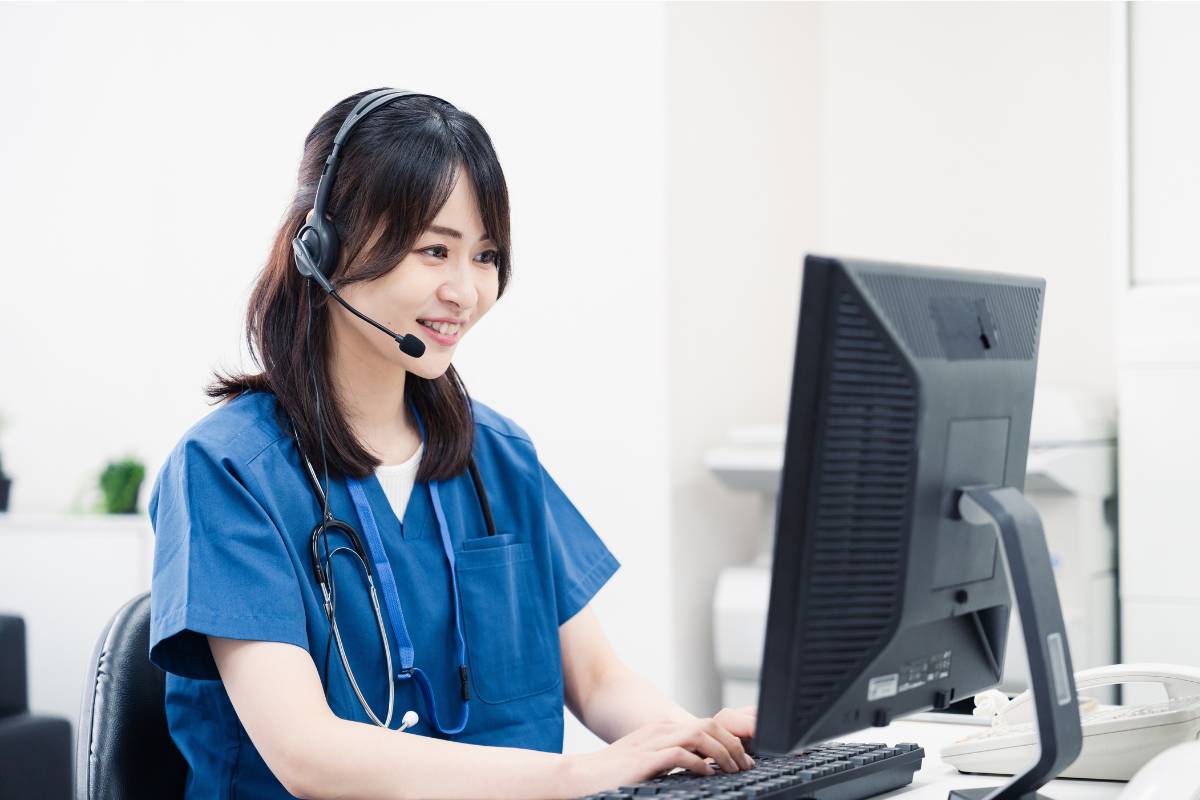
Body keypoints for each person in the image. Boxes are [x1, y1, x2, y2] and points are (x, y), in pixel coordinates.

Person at [148, 88, 756, 800]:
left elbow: (597, 680)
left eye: (485, 255)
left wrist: (696, 740)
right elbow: (306, 753)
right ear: (323, 250)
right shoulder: (227, 470)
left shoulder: (498, 456)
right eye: (434, 250)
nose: (465, 292)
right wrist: (578, 775)